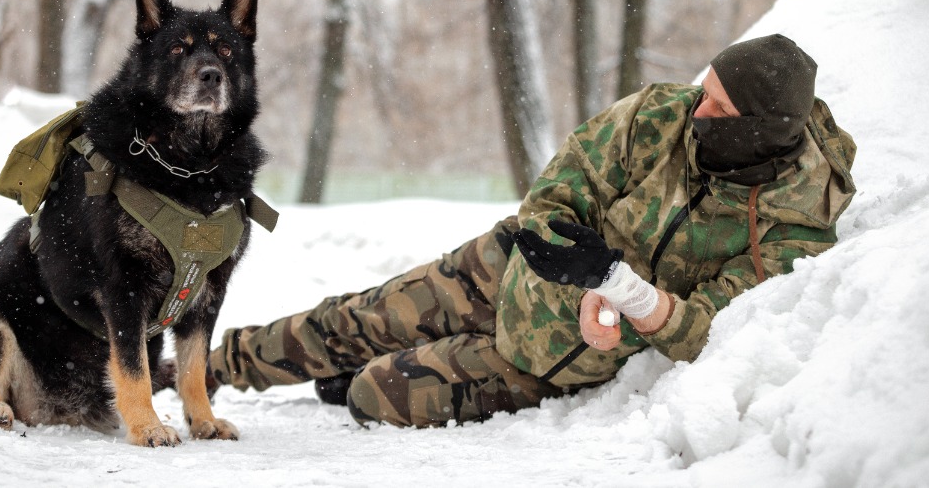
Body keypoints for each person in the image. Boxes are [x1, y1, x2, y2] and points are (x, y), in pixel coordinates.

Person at [205, 34, 857, 428]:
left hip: (552, 355)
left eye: (718, 105)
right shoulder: (665, 114)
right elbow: (566, 180)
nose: (698, 108)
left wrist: (624, 296)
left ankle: (351, 374)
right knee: (357, 317)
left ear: (756, 131)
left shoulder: (790, 227)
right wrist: (552, 231)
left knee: (376, 392)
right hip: (507, 268)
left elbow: (707, 327)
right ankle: (207, 364)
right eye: (704, 88)